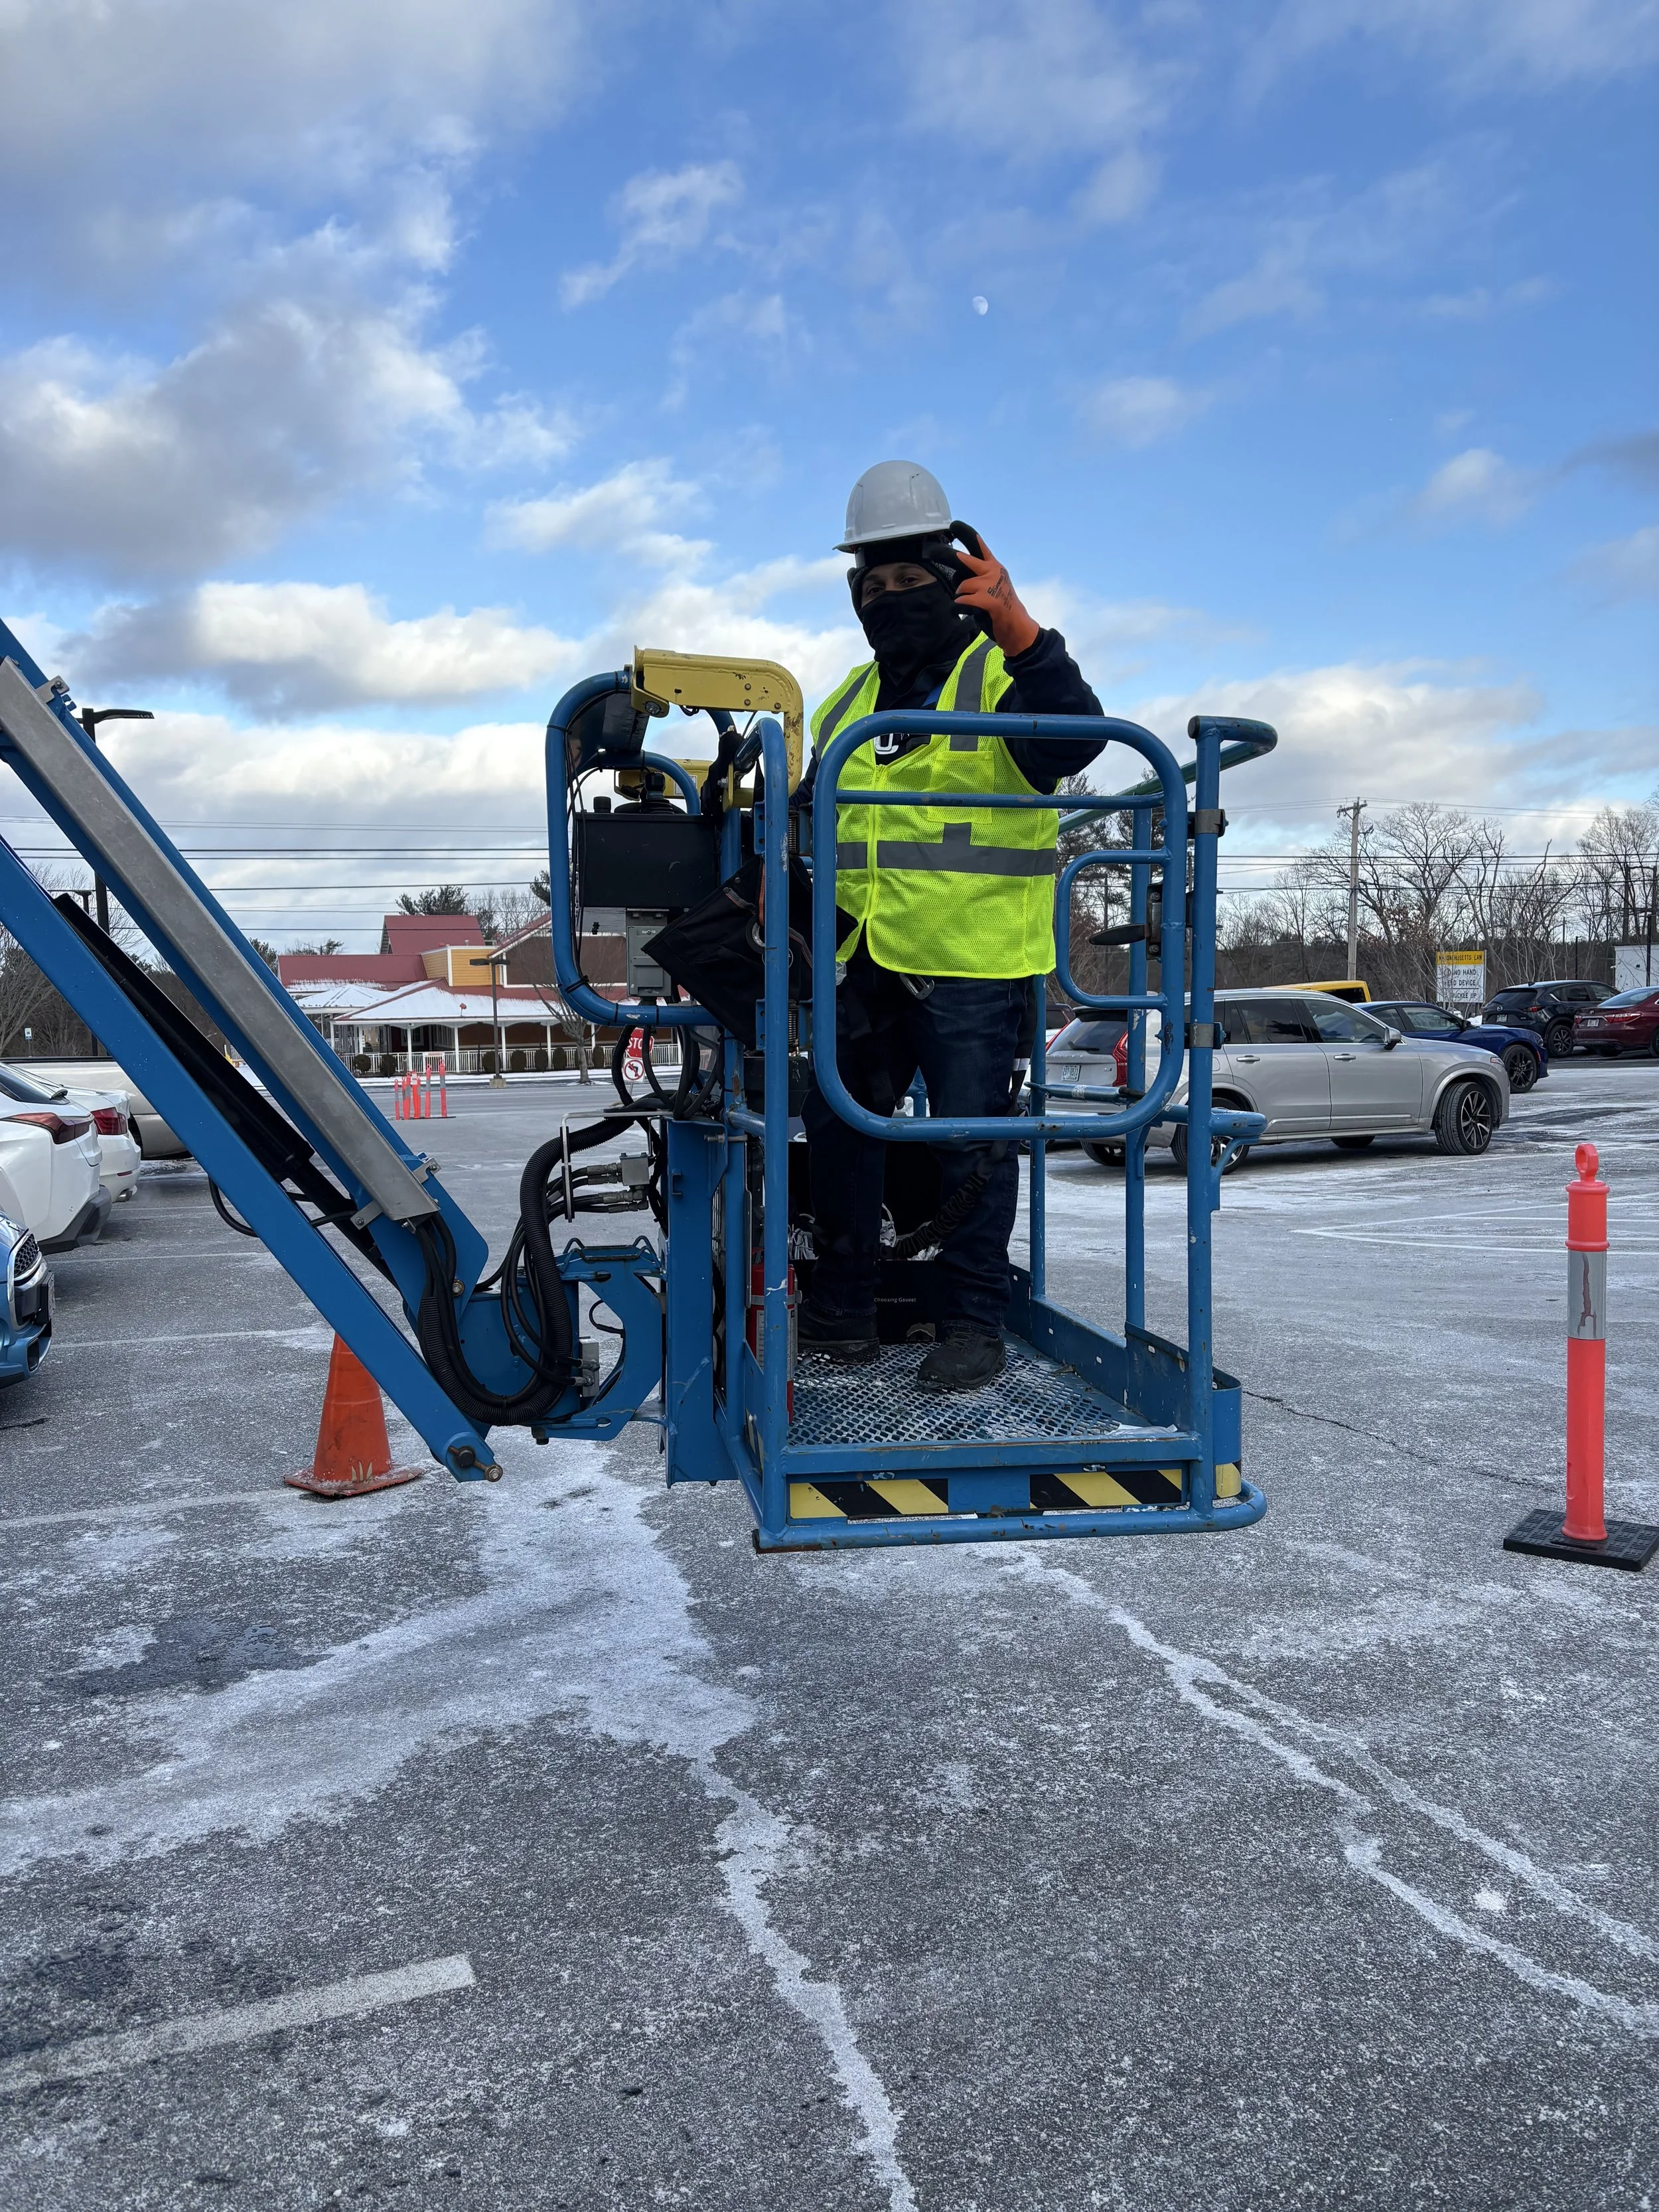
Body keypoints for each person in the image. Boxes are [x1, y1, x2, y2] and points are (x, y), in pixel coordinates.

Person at [800, 461, 1108, 1393]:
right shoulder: (849, 701)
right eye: (875, 586)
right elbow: (816, 818)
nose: (892, 601)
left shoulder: (999, 676)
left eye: (911, 582)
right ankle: (843, 1309)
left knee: (975, 1144)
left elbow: (1076, 739)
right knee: (839, 1126)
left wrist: (1022, 630)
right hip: (867, 961)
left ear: (954, 581)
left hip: (976, 968)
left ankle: (971, 1319)